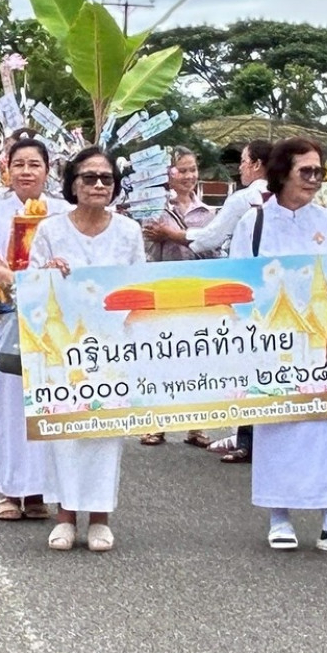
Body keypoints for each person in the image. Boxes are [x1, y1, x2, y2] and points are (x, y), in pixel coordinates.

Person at [241, 138, 327, 553]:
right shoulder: (252, 224)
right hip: (269, 343)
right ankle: (279, 517)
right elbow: (237, 282)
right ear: (281, 173)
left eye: (318, 171)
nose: (314, 179)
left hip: (316, 343)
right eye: (305, 171)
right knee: (274, 425)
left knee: (323, 427)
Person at [28, 145, 143, 551]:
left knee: (104, 432)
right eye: (89, 178)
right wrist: (46, 274)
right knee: (65, 431)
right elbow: (31, 287)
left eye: (106, 178)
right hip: (62, 348)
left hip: (112, 348)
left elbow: (138, 290)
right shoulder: (50, 230)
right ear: (72, 184)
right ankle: (64, 517)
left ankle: (99, 517)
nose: (97, 184)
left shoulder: (129, 233)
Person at [0, 136, 69, 522]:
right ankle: (9, 491)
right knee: (8, 408)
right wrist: (7, 276)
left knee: (45, 405)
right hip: (3, 315)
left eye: (35, 164)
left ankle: (38, 493)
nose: (27, 171)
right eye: (19, 164)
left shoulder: (63, 211)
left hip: (50, 322)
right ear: (6, 169)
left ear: (48, 170)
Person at [195, 139, 273, 463]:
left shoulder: (244, 199)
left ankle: (247, 438)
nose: (240, 167)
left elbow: (208, 239)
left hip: (246, 290)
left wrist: (175, 236)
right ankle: (256, 436)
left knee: (247, 365)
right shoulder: (285, 201)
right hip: (277, 289)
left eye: (243, 161)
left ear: (256, 164)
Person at [135, 147, 218, 448]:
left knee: (197, 358)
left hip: (198, 292)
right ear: (168, 173)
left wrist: (174, 235)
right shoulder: (153, 209)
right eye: (182, 170)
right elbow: (143, 250)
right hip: (161, 290)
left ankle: (196, 425)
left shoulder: (207, 213)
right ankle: (155, 423)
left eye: (193, 169)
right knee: (160, 357)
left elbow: (215, 250)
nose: (189, 176)